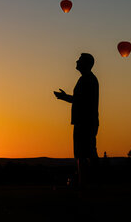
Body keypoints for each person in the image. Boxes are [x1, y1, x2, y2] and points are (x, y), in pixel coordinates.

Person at [53, 53, 99, 187]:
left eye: (79, 60)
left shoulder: (87, 79)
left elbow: (81, 101)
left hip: (85, 122)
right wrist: (65, 97)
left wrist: (65, 97)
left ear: (85, 63)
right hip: (84, 121)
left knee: (84, 153)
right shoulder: (86, 79)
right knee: (84, 152)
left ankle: (86, 182)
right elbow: (79, 100)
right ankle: (85, 181)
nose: (76, 61)